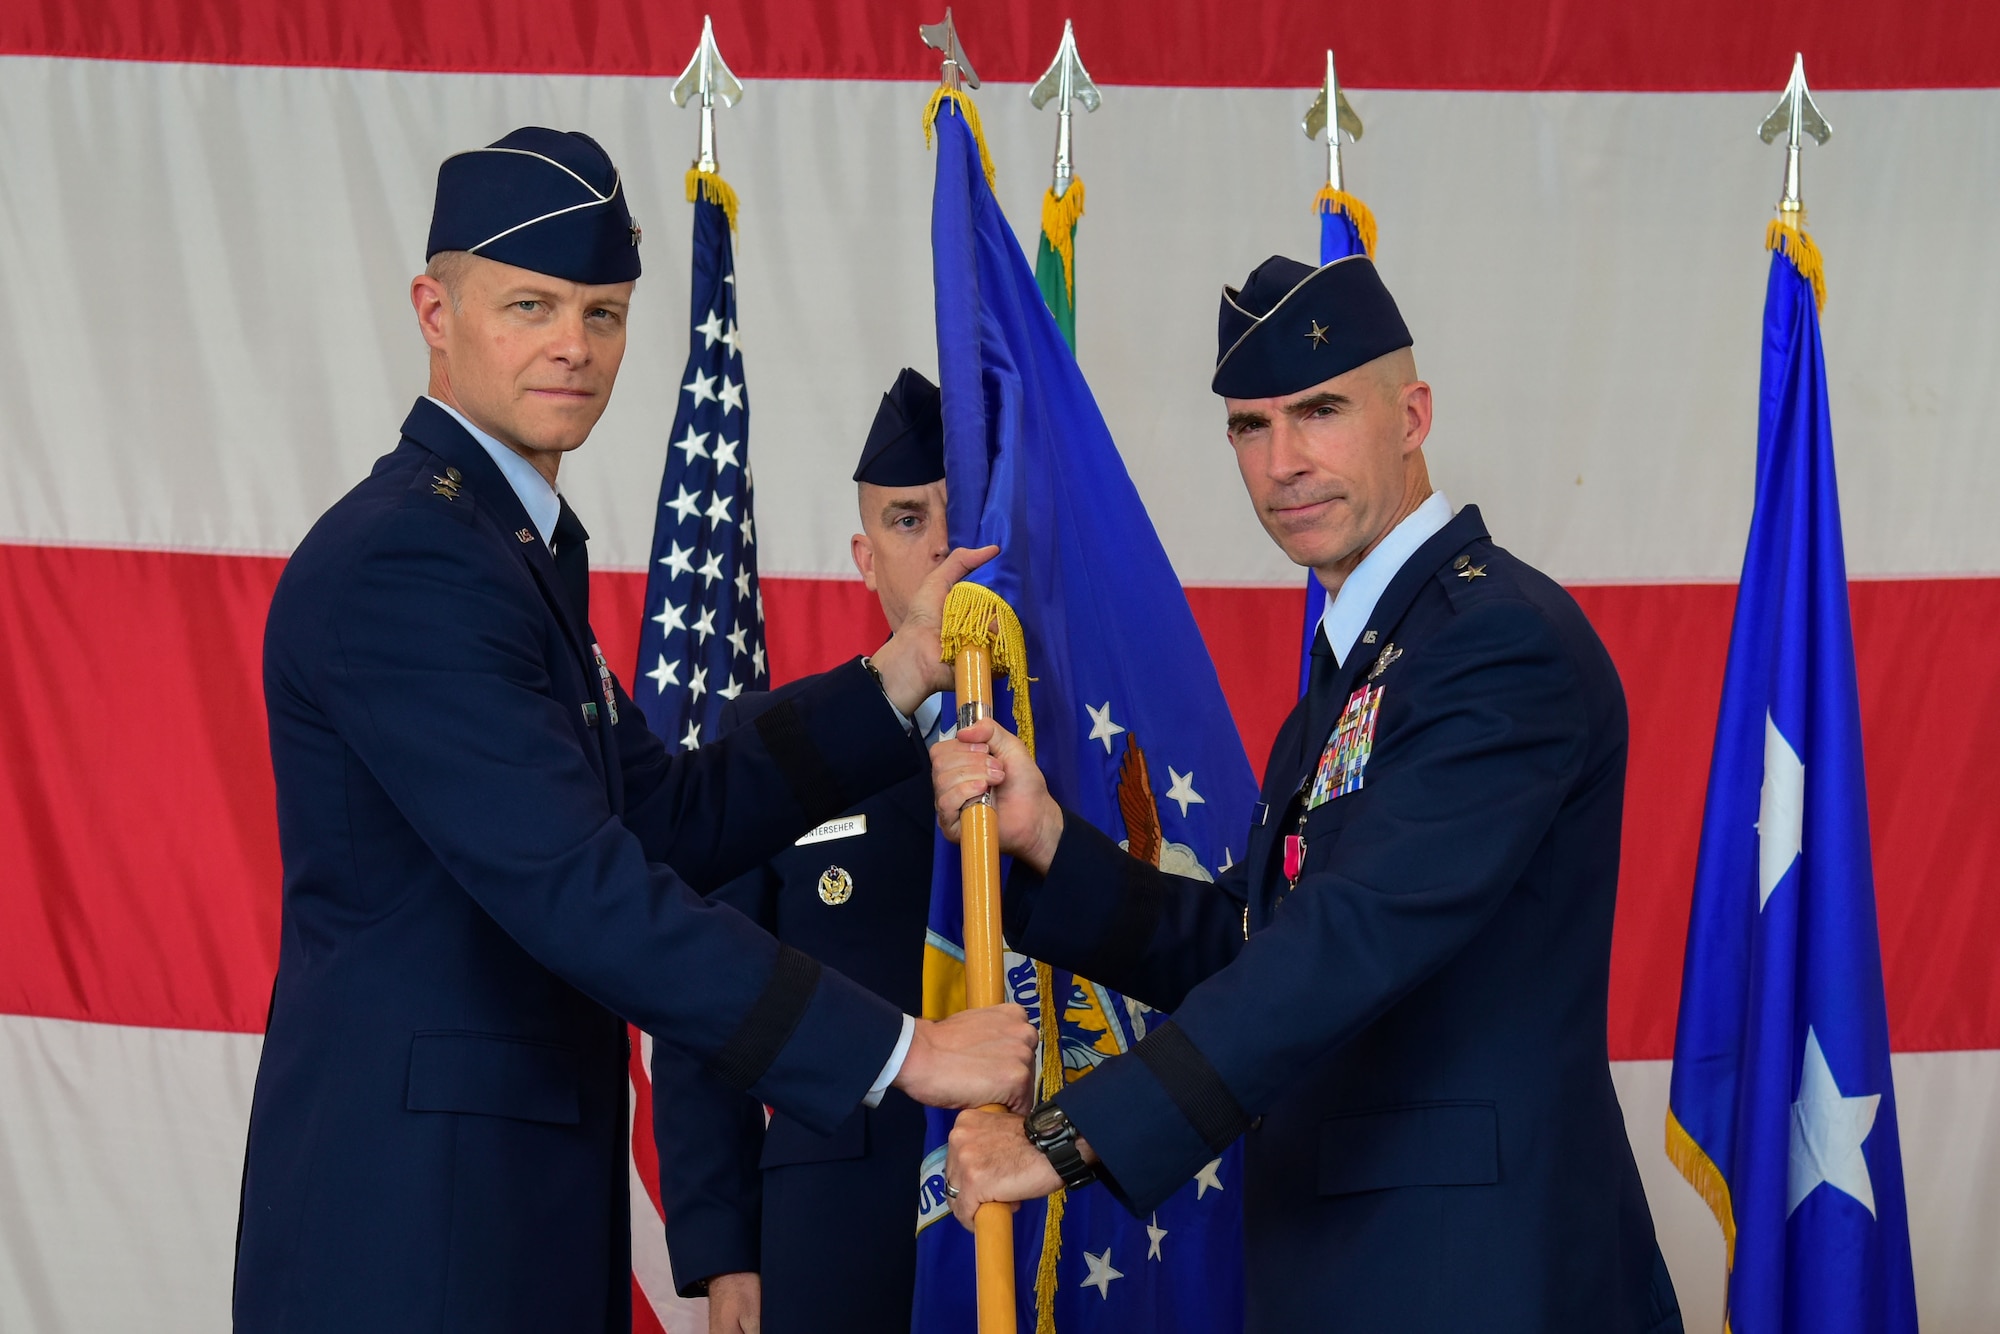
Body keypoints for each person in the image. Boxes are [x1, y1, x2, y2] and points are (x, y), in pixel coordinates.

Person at [234, 128, 1035, 1334]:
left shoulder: (504, 548)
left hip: (495, 1200)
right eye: (530, 304)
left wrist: (895, 672)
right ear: (432, 310)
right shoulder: (413, 558)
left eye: (603, 313)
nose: (573, 344)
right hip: (415, 1227)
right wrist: (901, 1053)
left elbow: (666, 817)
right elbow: (582, 883)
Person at [932, 254, 1685, 1333]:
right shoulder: (1358, 667)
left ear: (1411, 414)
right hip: (1351, 1266)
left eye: (1320, 410)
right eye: (1249, 425)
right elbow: (1257, 935)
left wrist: (1065, 1134)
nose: (1283, 461)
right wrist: (1049, 836)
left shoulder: (1493, 645)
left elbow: (1344, 939)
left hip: (1475, 1280)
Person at [652, 368, 952, 1334]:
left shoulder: (1094, 738)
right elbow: (705, 1004)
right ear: (865, 558)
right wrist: (725, 1252)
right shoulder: (776, 741)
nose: (942, 544)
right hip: (837, 1220)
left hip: (1063, 1206)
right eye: (908, 521)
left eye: (963, 510)